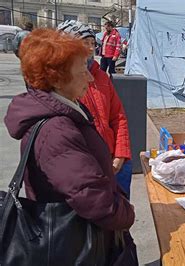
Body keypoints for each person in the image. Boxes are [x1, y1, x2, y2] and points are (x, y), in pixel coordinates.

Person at [4, 28, 136, 264]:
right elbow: (93, 199)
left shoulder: (65, 110)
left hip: (86, 236)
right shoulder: (56, 131)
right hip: (81, 242)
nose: (90, 77)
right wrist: (126, 212)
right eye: (82, 71)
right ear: (56, 78)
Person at [57, 20, 133, 198]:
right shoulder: (61, 83)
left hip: (116, 161)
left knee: (121, 212)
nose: (91, 49)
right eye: (85, 43)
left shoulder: (101, 76)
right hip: (88, 167)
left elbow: (118, 117)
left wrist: (121, 154)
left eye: (93, 43)